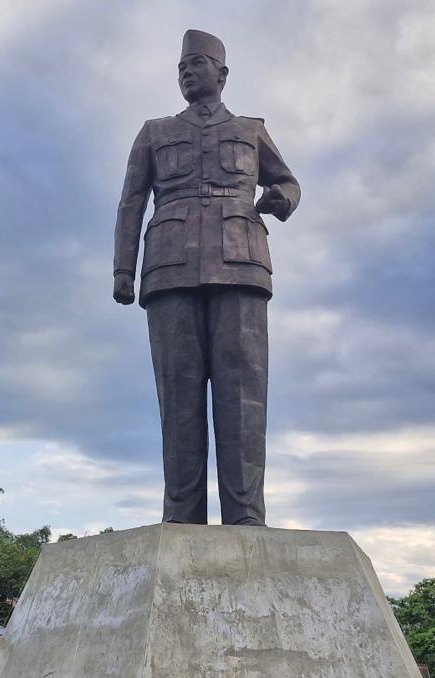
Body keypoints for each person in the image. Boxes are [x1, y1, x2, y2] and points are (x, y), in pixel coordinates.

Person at [113, 29, 300, 526]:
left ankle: (245, 515)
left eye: (197, 64)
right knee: (179, 395)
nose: (187, 73)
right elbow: (132, 201)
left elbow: (285, 179)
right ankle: (182, 514)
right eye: (181, 68)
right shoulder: (154, 132)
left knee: (244, 394)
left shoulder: (250, 129)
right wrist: (122, 269)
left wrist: (282, 198)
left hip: (240, 262)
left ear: (222, 73)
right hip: (170, 266)